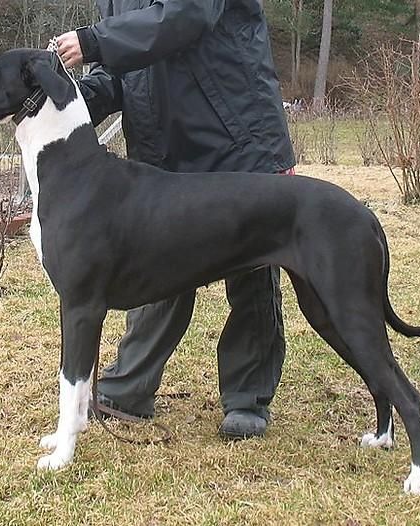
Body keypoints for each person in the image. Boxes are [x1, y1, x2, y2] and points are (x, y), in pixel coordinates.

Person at [56, 0, 295, 439]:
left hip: (237, 136)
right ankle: (128, 388)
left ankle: (247, 398)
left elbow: (186, 14)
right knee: (155, 266)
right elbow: (118, 69)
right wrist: (68, 101)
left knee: (252, 271)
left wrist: (92, 41)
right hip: (162, 147)